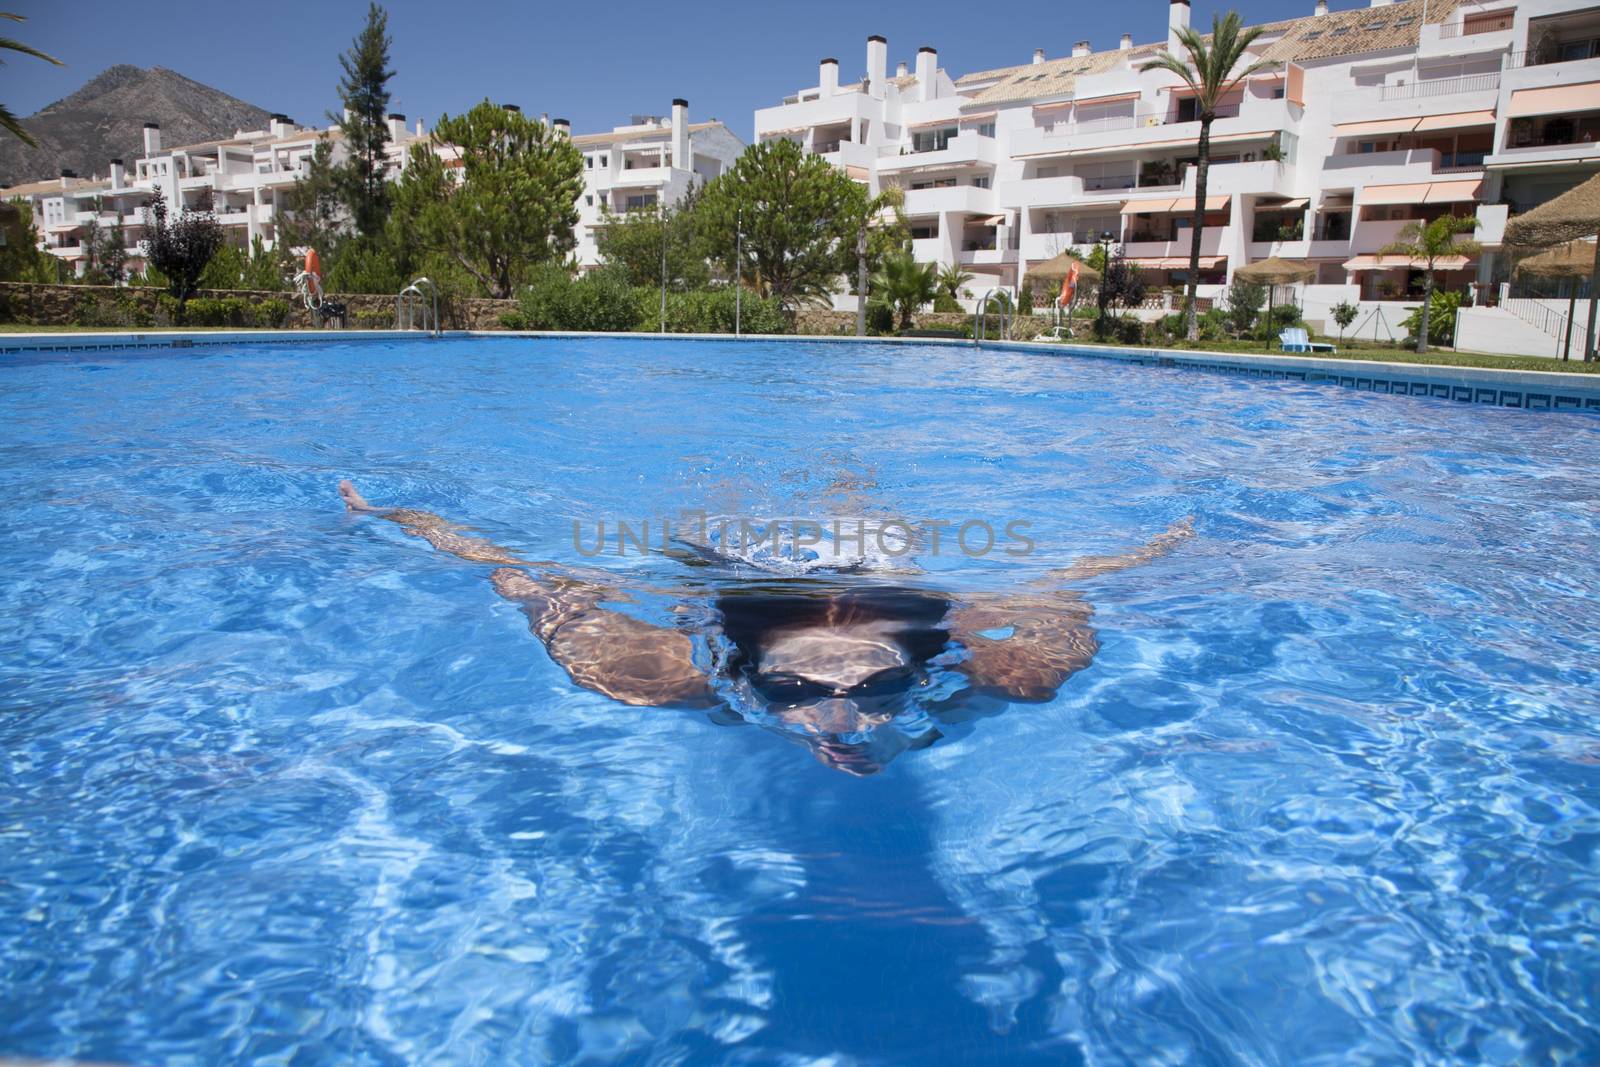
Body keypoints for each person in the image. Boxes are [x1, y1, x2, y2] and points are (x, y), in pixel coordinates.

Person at [339, 480, 1194, 775]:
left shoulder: (1004, 667)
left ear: (915, 668)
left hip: (873, 580)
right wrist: (392, 513)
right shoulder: (654, 668)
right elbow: (515, 573)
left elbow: (1075, 583)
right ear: (746, 676)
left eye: (881, 686)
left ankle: (853, 503)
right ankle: (823, 509)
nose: (840, 716)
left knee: (873, 543)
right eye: (794, 688)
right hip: (738, 577)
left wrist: (1162, 546)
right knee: (713, 548)